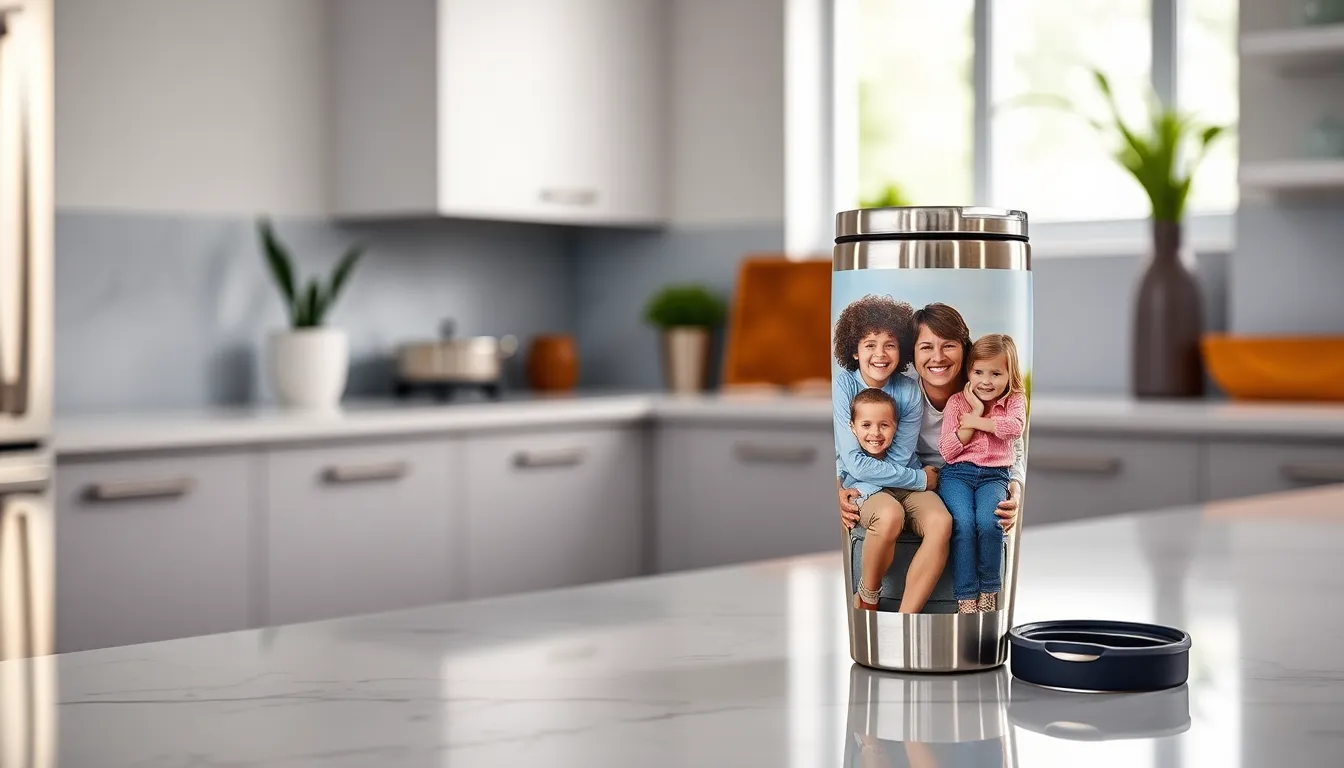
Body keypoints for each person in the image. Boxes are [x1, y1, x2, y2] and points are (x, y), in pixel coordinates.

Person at [832, 295, 951, 613]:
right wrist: (921, 480)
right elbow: (854, 461)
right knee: (890, 515)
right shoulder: (843, 388)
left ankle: (904, 620)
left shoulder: (908, 390)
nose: (880, 354)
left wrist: (889, 480)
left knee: (940, 521)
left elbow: (899, 456)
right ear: (854, 351)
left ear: (902, 351)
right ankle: (867, 598)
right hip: (887, 482)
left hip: (901, 477)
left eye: (890, 344)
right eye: (870, 344)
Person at [937, 334, 1027, 614]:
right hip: (957, 475)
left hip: (994, 476)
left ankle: (988, 592)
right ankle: (965, 597)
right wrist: (973, 410)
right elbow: (947, 451)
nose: (986, 381)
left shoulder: (1014, 400)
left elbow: (1015, 427)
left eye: (996, 373)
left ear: (1010, 374)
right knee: (962, 524)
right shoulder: (956, 404)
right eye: (979, 372)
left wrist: (978, 421)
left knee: (989, 524)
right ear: (969, 372)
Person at [840, 387, 905, 610]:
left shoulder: (900, 455)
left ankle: (867, 594)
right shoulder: (847, 457)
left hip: (891, 491)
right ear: (852, 428)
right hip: (859, 495)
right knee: (890, 514)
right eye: (866, 425)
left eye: (884, 425)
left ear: (895, 427)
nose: (875, 433)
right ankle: (868, 597)